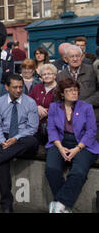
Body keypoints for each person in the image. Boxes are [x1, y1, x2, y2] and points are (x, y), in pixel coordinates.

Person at [0, 74, 39, 213]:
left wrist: (16, 138)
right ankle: (6, 206)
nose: (19, 90)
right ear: (6, 87)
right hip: (5, 136)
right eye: (15, 87)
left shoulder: (30, 102)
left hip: (23, 137)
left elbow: (32, 128)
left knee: (32, 141)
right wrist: (2, 140)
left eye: (21, 87)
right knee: (2, 167)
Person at [45, 77, 99, 213]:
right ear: (62, 93)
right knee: (51, 169)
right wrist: (59, 147)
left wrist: (77, 148)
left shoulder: (86, 107)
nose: (74, 93)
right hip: (59, 142)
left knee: (79, 172)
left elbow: (91, 131)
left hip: (83, 143)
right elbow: (51, 129)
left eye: (76, 90)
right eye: (70, 90)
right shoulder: (54, 107)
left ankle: (59, 204)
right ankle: (63, 206)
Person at [57, 45, 99, 129]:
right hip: (70, 119)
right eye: (72, 56)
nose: (75, 59)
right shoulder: (60, 76)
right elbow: (58, 96)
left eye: (77, 56)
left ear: (82, 57)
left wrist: (84, 104)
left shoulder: (92, 70)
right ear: (66, 59)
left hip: (92, 115)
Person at [29, 63, 58, 145]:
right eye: (44, 74)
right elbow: (28, 102)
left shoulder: (60, 89)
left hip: (53, 126)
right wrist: (37, 107)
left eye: (49, 74)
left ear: (55, 75)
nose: (46, 76)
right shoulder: (37, 87)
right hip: (36, 125)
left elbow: (62, 106)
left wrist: (47, 112)